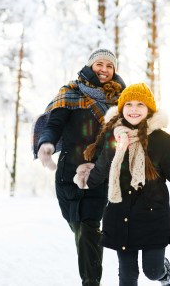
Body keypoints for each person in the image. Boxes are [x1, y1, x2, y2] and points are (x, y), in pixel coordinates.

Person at [73, 83, 170, 286]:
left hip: (152, 215)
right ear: (121, 108)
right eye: (129, 104)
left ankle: (165, 273)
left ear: (149, 109)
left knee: (153, 271)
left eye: (140, 105)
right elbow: (102, 167)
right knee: (127, 277)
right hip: (121, 215)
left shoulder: (159, 140)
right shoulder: (114, 137)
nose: (134, 109)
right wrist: (85, 182)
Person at [32, 48, 126, 286]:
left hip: (100, 172)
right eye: (99, 65)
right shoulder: (70, 93)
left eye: (109, 66)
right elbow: (54, 124)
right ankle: (90, 271)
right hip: (67, 172)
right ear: (90, 66)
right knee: (76, 224)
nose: (104, 70)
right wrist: (47, 143)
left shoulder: (121, 99)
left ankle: (91, 281)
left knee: (89, 227)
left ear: (114, 70)